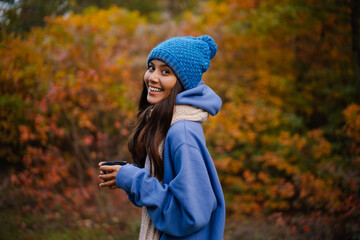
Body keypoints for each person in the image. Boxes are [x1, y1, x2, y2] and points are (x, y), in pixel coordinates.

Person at [98, 35, 225, 240]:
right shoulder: (168, 124)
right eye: (151, 67)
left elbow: (191, 213)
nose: (152, 77)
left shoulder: (181, 132)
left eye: (165, 71)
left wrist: (133, 179)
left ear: (182, 83)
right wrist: (127, 176)